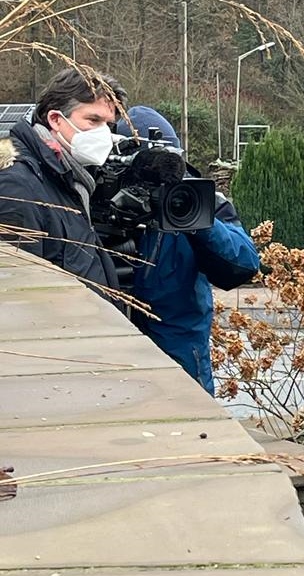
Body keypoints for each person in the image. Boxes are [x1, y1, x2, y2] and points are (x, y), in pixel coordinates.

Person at [115, 106, 260, 396]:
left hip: (182, 360)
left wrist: (193, 215)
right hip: (117, 354)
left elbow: (243, 265)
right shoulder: (105, 200)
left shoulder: (201, 201)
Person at [0, 68, 126, 293]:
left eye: (109, 124)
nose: (104, 134)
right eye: (93, 120)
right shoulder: (18, 188)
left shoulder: (72, 179)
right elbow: (20, 295)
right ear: (56, 119)